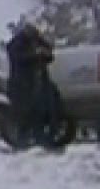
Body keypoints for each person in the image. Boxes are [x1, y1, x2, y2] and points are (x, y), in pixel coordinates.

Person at [5, 20, 60, 149]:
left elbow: (49, 53)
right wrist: (36, 55)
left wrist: (43, 52)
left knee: (41, 112)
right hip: (22, 84)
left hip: (39, 83)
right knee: (24, 114)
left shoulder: (36, 41)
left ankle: (41, 139)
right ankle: (23, 141)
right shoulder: (17, 43)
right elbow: (18, 56)